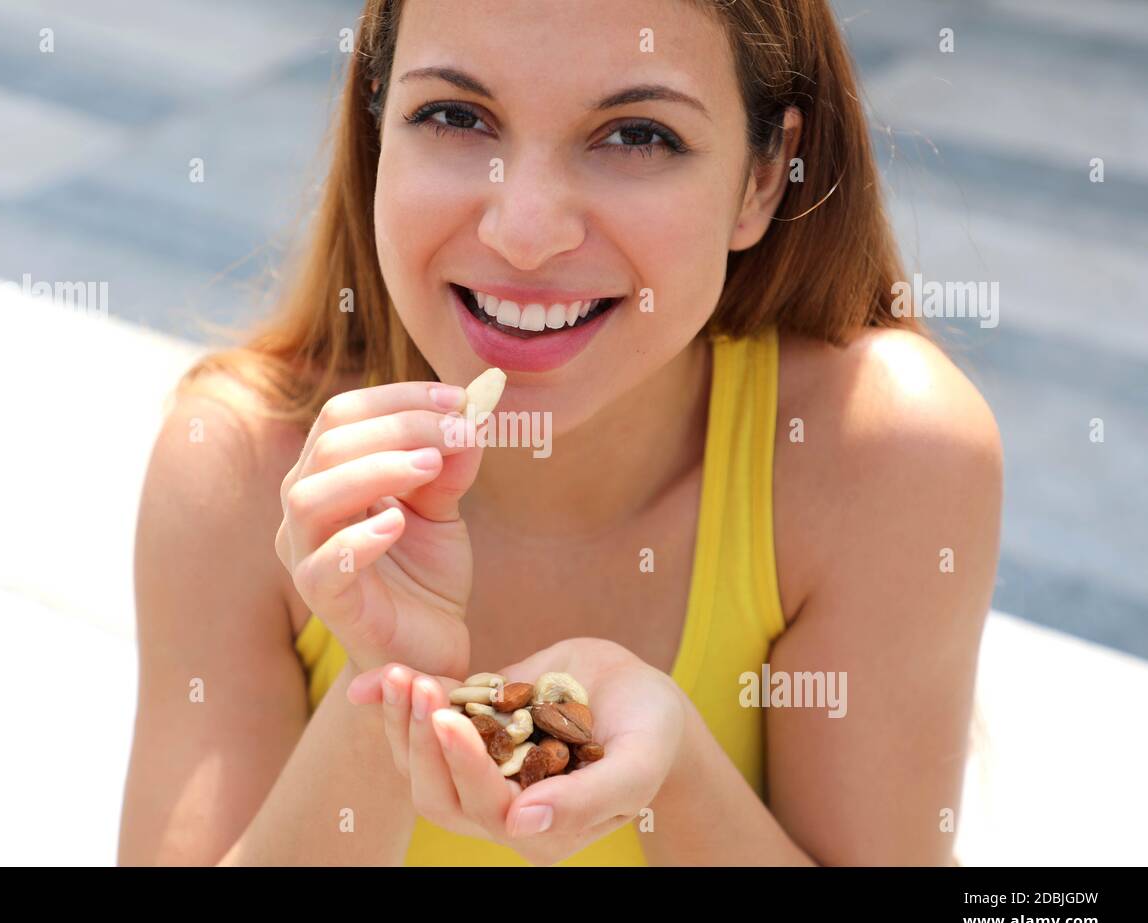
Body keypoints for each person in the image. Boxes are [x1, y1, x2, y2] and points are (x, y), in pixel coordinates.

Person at [118, 0, 1002, 866]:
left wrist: (676, 774)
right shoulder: (241, 463)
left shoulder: (879, 452)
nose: (526, 231)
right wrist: (385, 692)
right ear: (379, 131)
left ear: (763, 178)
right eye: (456, 116)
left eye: (637, 135)